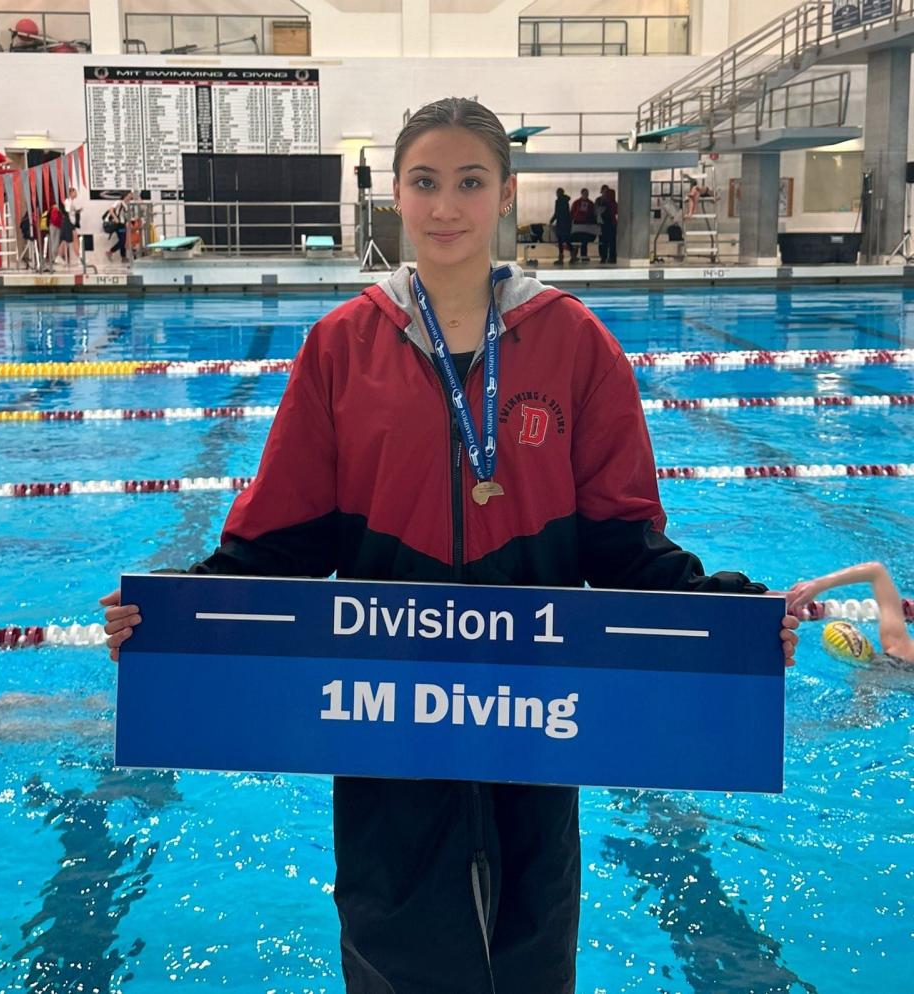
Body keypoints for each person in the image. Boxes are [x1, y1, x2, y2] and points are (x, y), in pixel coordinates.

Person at [101, 96, 798, 994]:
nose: (445, 206)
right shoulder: (341, 347)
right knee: (393, 951)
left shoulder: (576, 343)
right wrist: (173, 613)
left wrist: (729, 618)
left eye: (470, 183)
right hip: (386, 712)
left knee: (532, 950)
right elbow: (283, 537)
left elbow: (622, 543)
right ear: (395, 193)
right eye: (425, 182)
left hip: (536, 714)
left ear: (505, 194)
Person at [787, 562, 913, 667]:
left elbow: (876, 571)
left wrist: (817, 585)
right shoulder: (900, 648)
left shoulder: (899, 648)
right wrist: (817, 585)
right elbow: (876, 572)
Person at [569, 186, 597, 263]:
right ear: (581, 194)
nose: (586, 195)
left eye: (587, 193)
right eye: (585, 193)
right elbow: (572, 213)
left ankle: (583, 256)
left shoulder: (591, 203)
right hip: (578, 223)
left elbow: (593, 214)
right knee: (576, 241)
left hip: (586, 223)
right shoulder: (576, 202)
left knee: (584, 241)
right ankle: (573, 256)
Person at [102, 191, 133, 263]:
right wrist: (115, 218)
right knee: (122, 241)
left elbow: (125, 216)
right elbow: (111, 210)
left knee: (123, 240)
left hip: (121, 224)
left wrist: (128, 222)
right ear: (125, 196)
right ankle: (110, 252)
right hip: (116, 224)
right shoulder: (119, 202)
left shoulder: (127, 205)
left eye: (131, 196)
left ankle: (123, 257)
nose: (130, 197)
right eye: (129, 195)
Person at [550, 186, 574, 264]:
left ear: (558, 193)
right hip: (567, 223)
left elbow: (557, 212)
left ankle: (561, 258)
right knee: (567, 240)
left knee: (560, 241)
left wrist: (552, 220)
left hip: (560, 223)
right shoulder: (566, 201)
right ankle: (573, 255)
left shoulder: (558, 201)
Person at [594, 185, 618, 264]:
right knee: (606, 241)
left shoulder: (609, 201)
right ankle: (606, 257)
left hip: (607, 223)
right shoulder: (600, 200)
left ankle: (608, 257)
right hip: (607, 223)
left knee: (608, 241)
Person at [58, 187, 80, 266]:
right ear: (70, 193)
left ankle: (59, 257)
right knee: (75, 239)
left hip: (69, 223)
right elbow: (67, 212)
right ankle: (80, 257)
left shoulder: (71, 202)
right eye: (74, 192)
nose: (76, 193)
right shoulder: (68, 201)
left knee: (65, 240)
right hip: (68, 222)